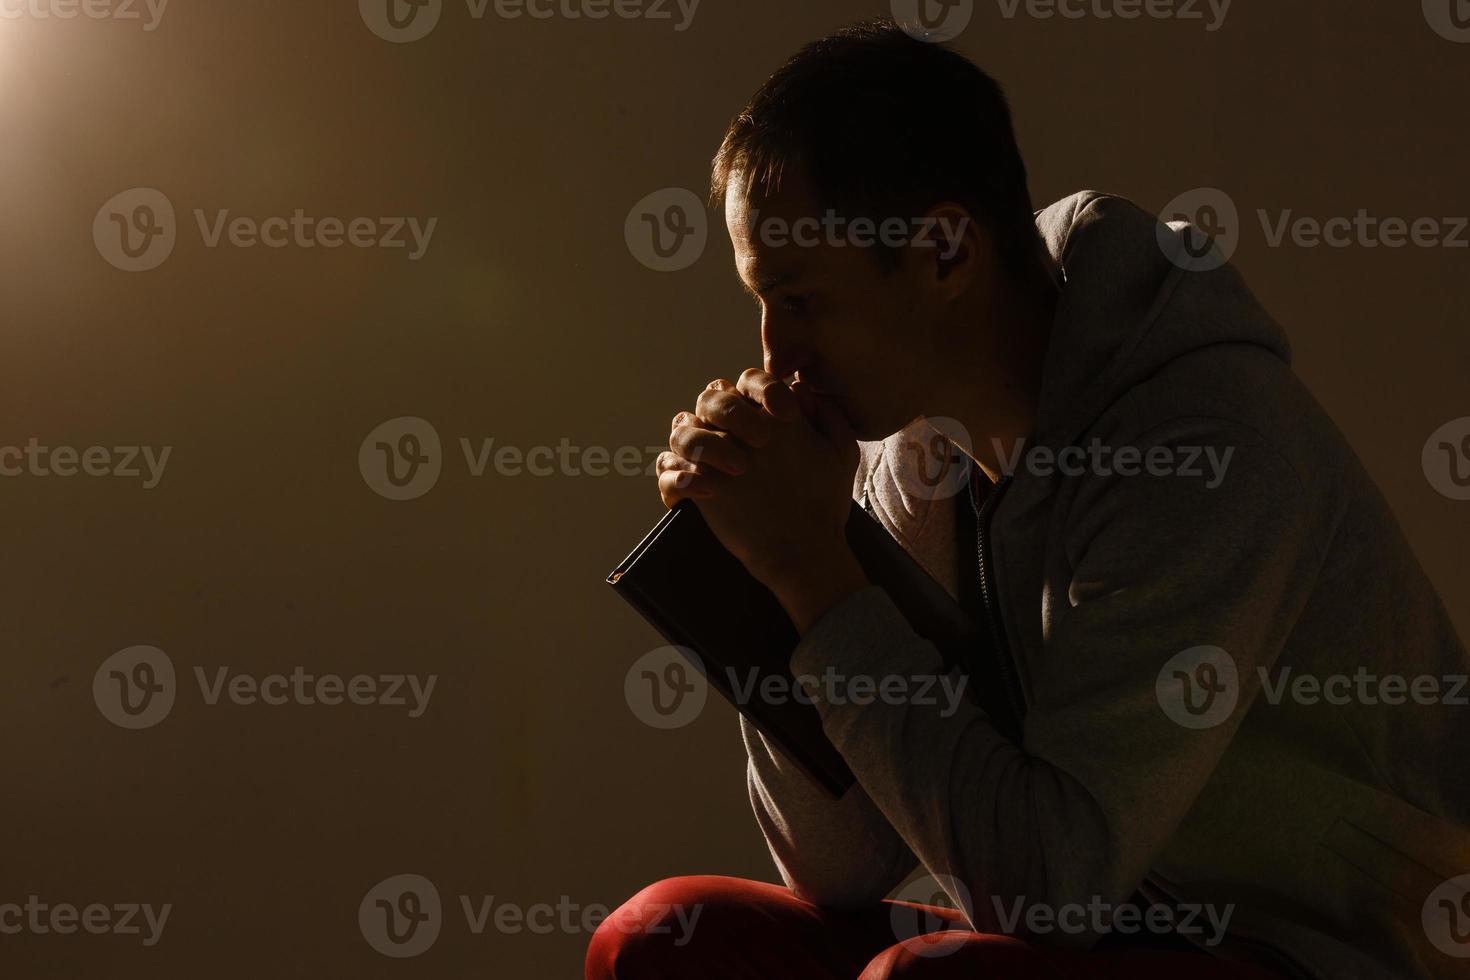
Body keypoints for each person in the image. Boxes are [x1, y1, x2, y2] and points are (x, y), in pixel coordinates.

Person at [590, 18, 1470, 979]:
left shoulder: (1206, 442)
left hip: (1319, 949)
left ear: (944, 253)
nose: (774, 356)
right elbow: (835, 866)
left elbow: (1050, 887)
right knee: (665, 934)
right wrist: (764, 566)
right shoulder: (907, 452)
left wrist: (813, 570)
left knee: (933, 979)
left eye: (800, 302)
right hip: (1095, 930)